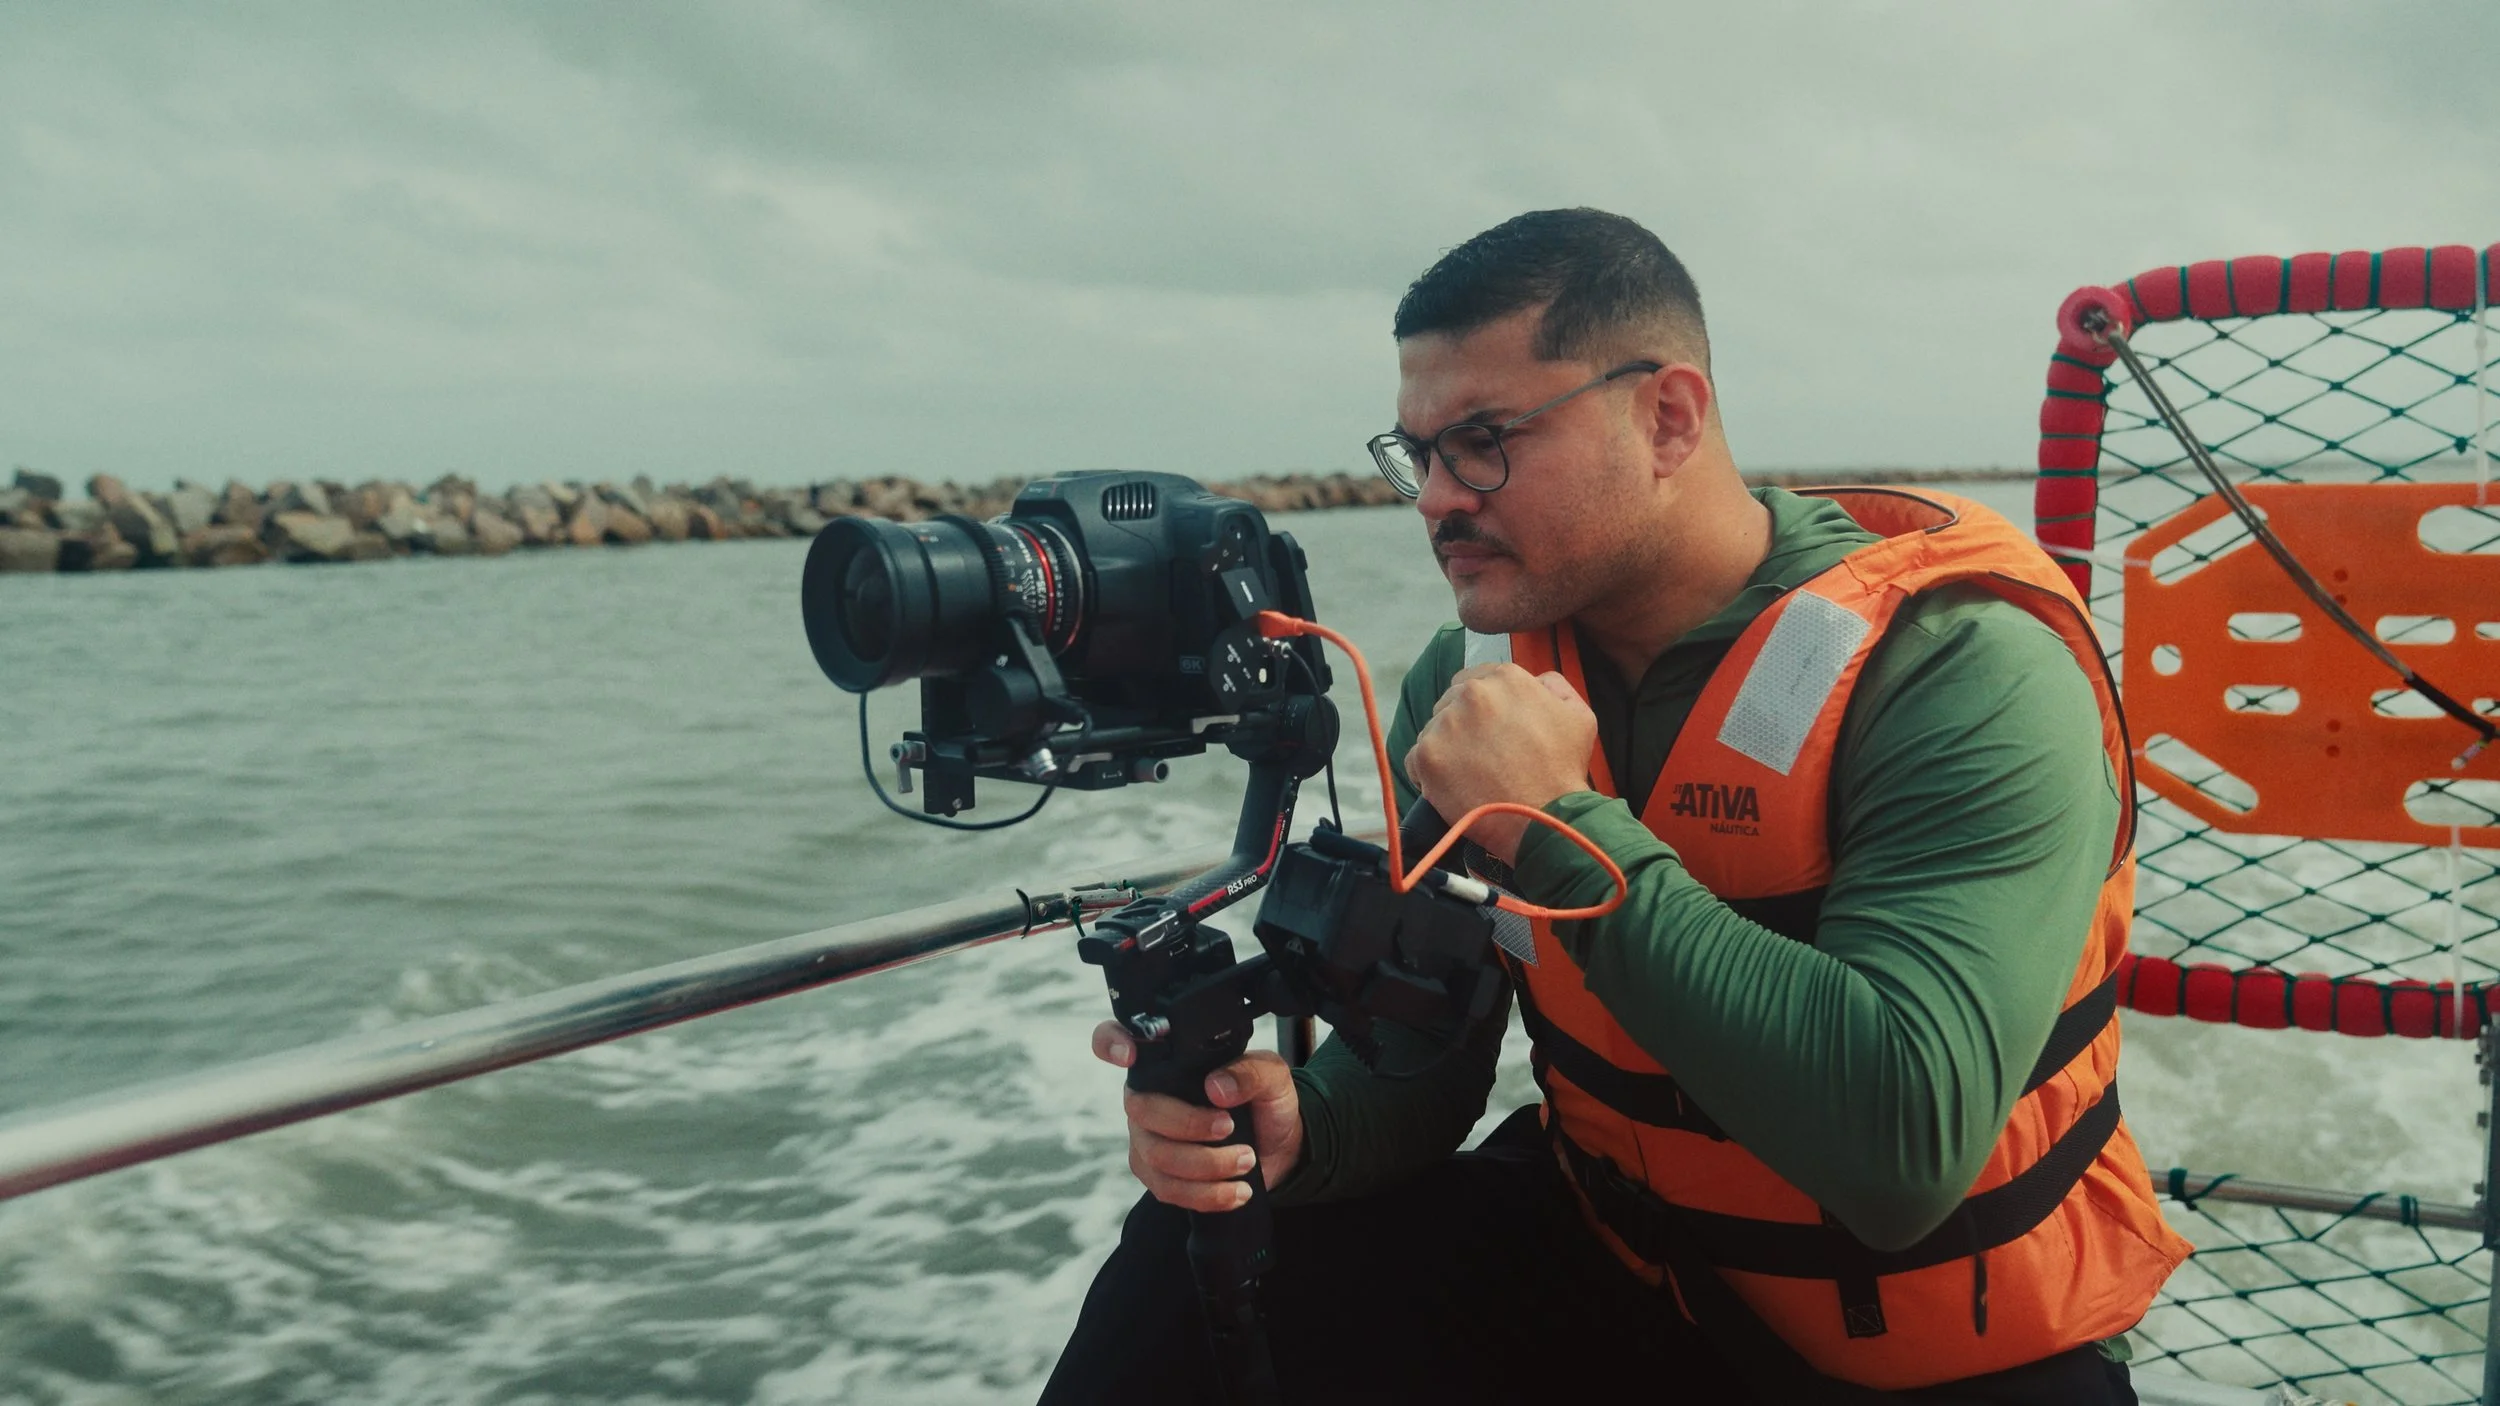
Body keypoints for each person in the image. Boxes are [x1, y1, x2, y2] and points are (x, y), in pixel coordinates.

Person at [1040, 208, 2187, 1405]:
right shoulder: (1471, 685)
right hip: (1628, 1262)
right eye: (1416, 452)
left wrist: (1556, 821)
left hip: (1937, 1350)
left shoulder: (1959, 667)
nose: (1434, 498)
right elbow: (1430, 1058)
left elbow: (1903, 1149)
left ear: (1668, 417)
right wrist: (1302, 1126)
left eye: (1483, 441)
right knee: (1199, 1258)